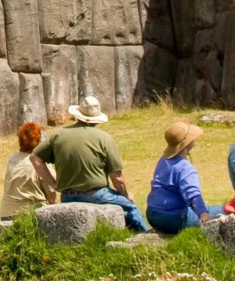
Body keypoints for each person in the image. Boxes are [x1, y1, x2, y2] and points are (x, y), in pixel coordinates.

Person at [30, 96, 150, 231]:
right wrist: (126, 195)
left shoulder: (58, 135)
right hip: (96, 193)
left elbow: (34, 158)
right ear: (96, 118)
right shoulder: (104, 138)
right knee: (131, 208)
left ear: (78, 115)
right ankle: (146, 239)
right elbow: (117, 178)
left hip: (67, 196)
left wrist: (53, 183)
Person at [146, 122, 223, 234]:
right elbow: (193, 195)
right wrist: (203, 214)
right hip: (171, 219)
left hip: (152, 214)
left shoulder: (163, 160)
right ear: (186, 143)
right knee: (224, 210)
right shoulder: (185, 168)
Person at [0, 122, 53, 220]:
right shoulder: (40, 161)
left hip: (6, 212)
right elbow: (51, 191)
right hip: (32, 213)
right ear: (38, 140)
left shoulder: (11, 159)